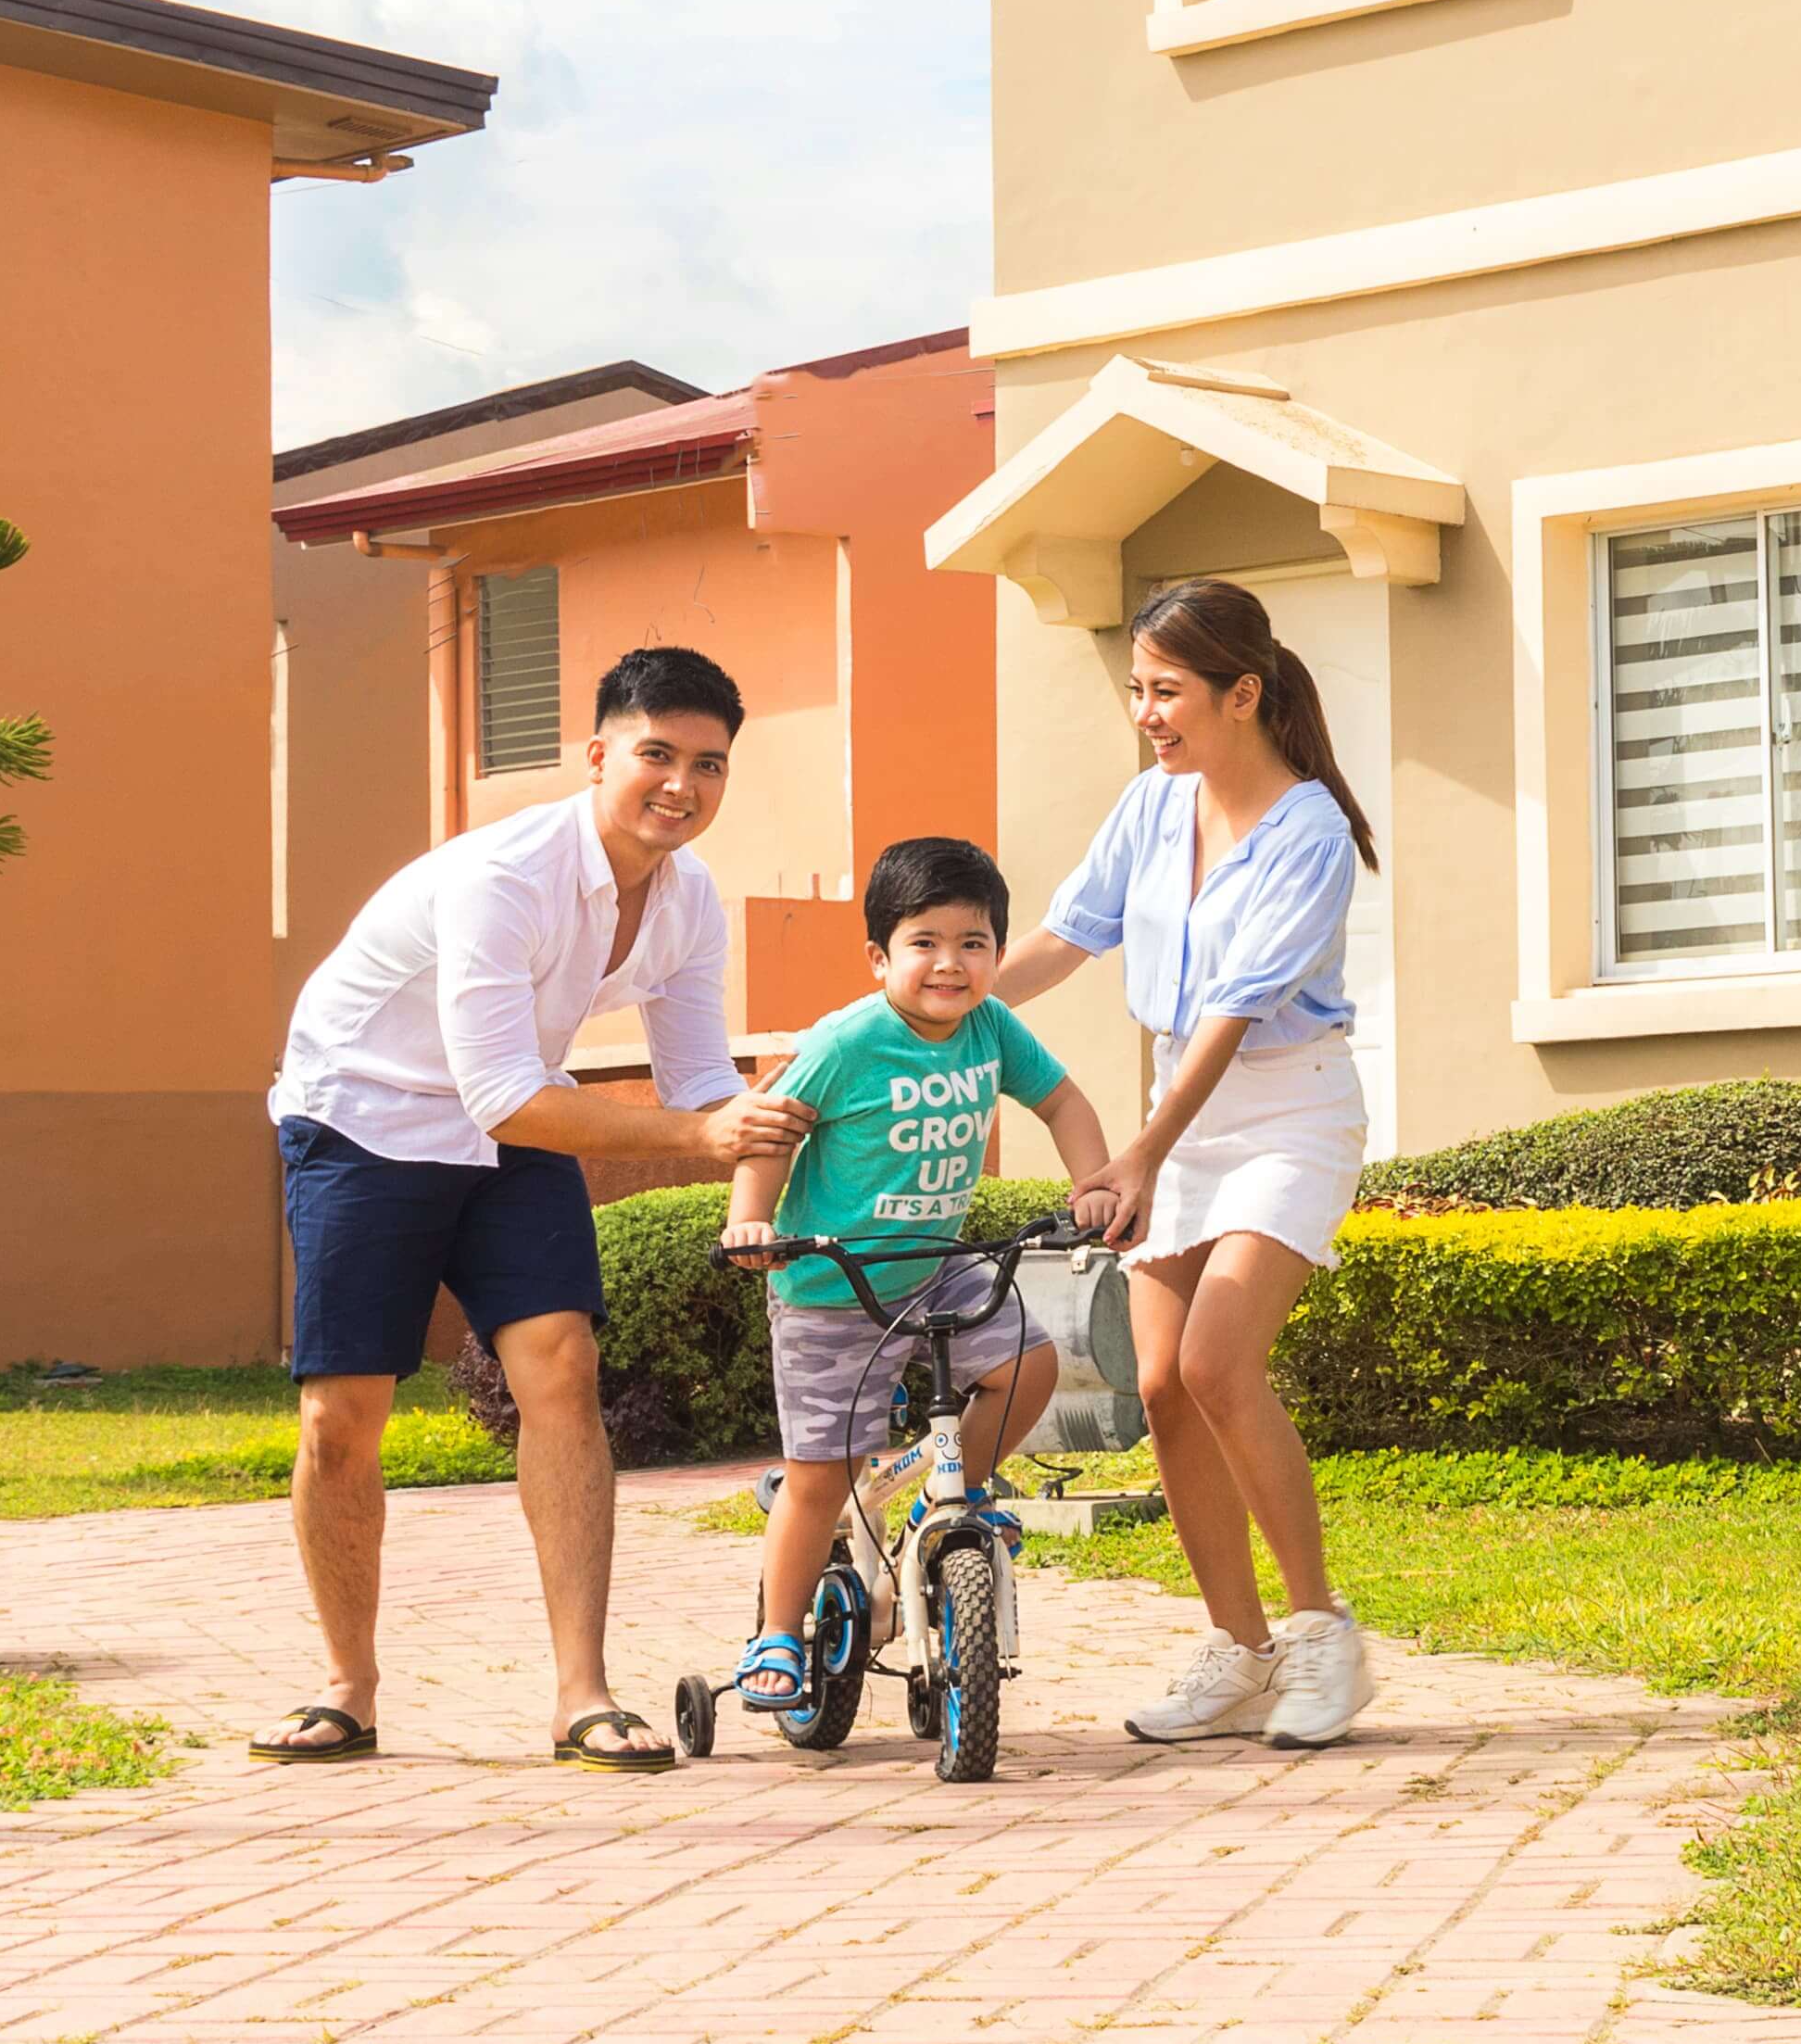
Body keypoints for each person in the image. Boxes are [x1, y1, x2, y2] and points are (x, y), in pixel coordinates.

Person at [254, 643, 808, 1773]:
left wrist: (781, 1112)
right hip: (365, 1113)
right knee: (341, 1415)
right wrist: (699, 1134)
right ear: (597, 753)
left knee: (561, 1365)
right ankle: (347, 1688)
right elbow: (508, 1095)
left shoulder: (685, 895)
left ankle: (582, 1693)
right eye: (656, 754)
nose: (681, 786)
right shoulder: (504, 875)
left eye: (709, 764)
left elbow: (700, 1081)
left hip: (512, 1124)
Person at [993, 575, 1382, 1750]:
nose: (1146, 713)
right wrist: (936, 1004)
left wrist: (1138, 1153)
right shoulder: (1152, 805)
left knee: (1218, 1362)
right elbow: (1067, 935)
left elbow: (1228, 1014)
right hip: (1182, 1107)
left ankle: (1323, 1635)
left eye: (1165, 691)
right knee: (1158, 1383)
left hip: (1286, 1109)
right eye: (1136, 690)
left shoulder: (1308, 831)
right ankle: (1239, 1648)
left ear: (1240, 692)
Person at [713, 833, 1121, 1731]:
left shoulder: (992, 1026)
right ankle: (777, 1634)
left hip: (937, 1264)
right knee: (821, 1477)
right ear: (879, 955)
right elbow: (771, 1128)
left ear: (998, 953)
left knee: (1031, 1360)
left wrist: (1092, 1178)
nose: (950, 962)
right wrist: (753, 1220)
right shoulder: (847, 1039)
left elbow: (1063, 1100)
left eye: (973, 941)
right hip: (833, 1283)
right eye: (925, 941)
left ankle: (961, 1488)